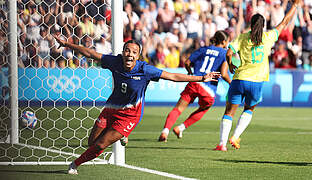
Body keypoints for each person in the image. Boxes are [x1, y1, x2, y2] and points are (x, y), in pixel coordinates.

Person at [53, 37, 221, 174]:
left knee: (101, 145)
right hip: (111, 109)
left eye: (134, 52)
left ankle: (74, 165)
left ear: (138, 56)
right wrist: (66, 44)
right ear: (122, 52)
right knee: (92, 143)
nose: (130, 55)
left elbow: (173, 76)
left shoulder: (145, 70)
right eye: (127, 51)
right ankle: (121, 136)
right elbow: (91, 53)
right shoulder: (115, 62)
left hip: (130, 116)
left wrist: (201, 78)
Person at [214, 0, 301, 151]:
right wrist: (294, 5)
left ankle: (221, 144)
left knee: (229, 112)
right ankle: (235, 136)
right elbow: (285, 22)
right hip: (256, 82)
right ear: (264, 26)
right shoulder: (268, 37)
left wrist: (231, 63)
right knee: (248, 109)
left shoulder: (242, 37)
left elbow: (229, 52)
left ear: (251, 23)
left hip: (239, 78)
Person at [158, 31, 232, 142]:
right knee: (203, 109)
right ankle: (180, 128)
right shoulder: (224, 53)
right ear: (224, 41)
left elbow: (187, 62)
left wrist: (190, 73)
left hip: (195, 82)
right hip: (208, 88)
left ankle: (165, 131)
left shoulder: (203, 49)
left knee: (178, 109)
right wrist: (232, 83)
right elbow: (224, 73)